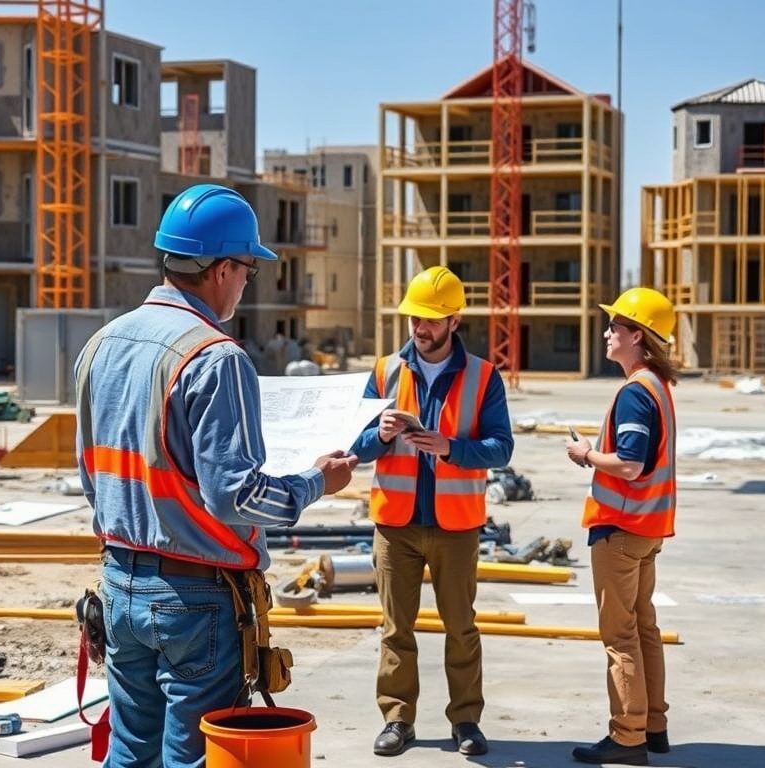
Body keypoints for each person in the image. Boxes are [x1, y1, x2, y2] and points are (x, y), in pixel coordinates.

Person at [74, 183, 358, 768]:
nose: (246, 284)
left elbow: (92, 476)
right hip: (195, 596)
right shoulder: (214, 356)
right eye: (248, 271)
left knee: (129, 751)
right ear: (223, 269)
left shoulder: (101, 345)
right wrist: (314, 482)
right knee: (194, 757)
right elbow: (236, 498)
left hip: (119, 582)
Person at [350, 266, 514, 757]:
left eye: (431, 320)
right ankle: (398, 719)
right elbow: (353, 444)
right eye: (414, 319)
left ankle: (466, 720)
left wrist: (450, 447)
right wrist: (377, 435)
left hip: (456, 526)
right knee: (396, 630)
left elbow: (501, 448)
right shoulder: (383, 372)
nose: (420, 329)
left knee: (460, 627)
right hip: (395, 524)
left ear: (454, 321)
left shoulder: (484, 377)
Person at [564, 287, 678, 766]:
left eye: (615, 326)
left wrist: (585, 455)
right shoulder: (657, 387)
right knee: (644, 628)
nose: (607, 333)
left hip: (621, 530)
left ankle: (627, 736)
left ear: (638, 336)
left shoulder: (635, 393)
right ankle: (654, 725)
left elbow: (629, 465)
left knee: (621, 636)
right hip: (648, 529)